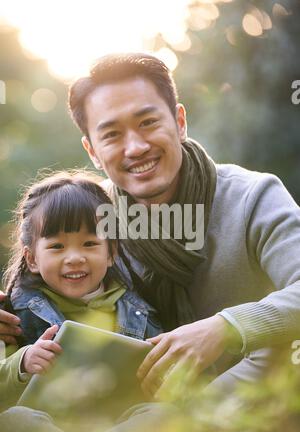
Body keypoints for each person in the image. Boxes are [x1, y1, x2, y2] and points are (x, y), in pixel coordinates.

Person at [1, 52, 300, 399]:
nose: (136, 147)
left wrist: (224, 328)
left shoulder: (253, 196)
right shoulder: (90, 221)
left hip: (250, 407)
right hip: (131, 418)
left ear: (179, 121)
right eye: (111, 134)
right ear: (93, 151)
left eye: (148, 123)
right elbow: (42, 292)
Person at [0, 169, 163, 432]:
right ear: (32, 258)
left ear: (111, 252)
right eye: (57, 246)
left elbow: (162, 373)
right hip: (50, 428)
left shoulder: (138, 311)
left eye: (89, 244)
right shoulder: (15, 313)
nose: (74, 258)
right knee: (13, 419)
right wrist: (23, 363)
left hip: (114, 429)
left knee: (162, 415)